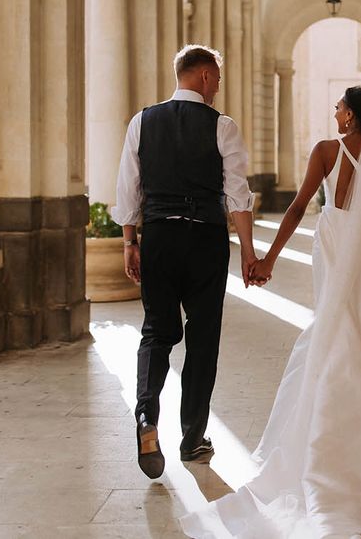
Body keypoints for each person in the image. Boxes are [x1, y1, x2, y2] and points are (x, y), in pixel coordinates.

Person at [181, 87, 361, 538]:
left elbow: (299, 206)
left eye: (339, 106)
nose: (334, 111)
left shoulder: (324, 151)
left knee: (340, 331)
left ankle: (348, 439)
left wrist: (269, 259)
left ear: (351, 117)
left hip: (336, 242)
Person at [111, 44, 258, 479]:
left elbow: (128, 188)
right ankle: (192, 438)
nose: (217, 88)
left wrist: (129, 241)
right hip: (205, 238)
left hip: (158, 236)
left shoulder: (142, 121)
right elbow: (238, 194)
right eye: (217, 79)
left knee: (157, 331)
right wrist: (249, 253)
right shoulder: (222, 126)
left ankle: (145, 419)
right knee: (203, 336)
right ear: (206, 77)